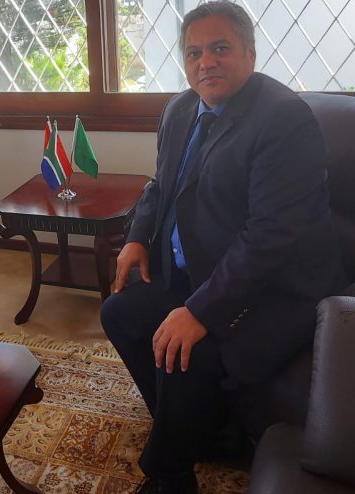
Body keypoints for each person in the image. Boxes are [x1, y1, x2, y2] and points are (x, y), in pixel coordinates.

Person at [100, 2, 345, 493]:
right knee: (120, 313)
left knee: (188, 351)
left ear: (250, 53)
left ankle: (169, 474)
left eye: (220, 48)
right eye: (194, 53)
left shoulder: (284, 121)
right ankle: (201, 432)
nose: (205, 62)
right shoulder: (180, 109)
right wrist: (137, 238)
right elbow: (160, 185)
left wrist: (201, 310)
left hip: (275, 289)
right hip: (200, 270)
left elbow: (269, 237)